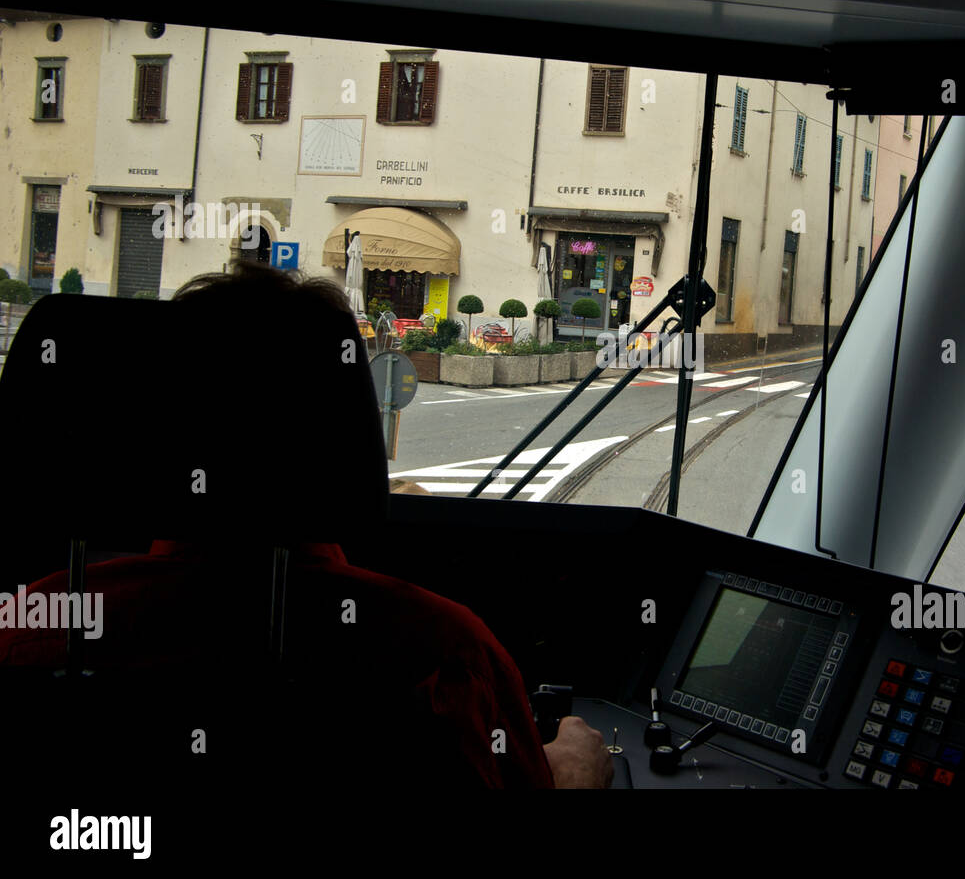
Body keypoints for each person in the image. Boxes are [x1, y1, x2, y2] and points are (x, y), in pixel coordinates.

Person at [0, 262, 613, 789]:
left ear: (151, 430)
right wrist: (573, 776)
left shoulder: (34, 629)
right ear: (345, 440)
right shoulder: (443, 656)